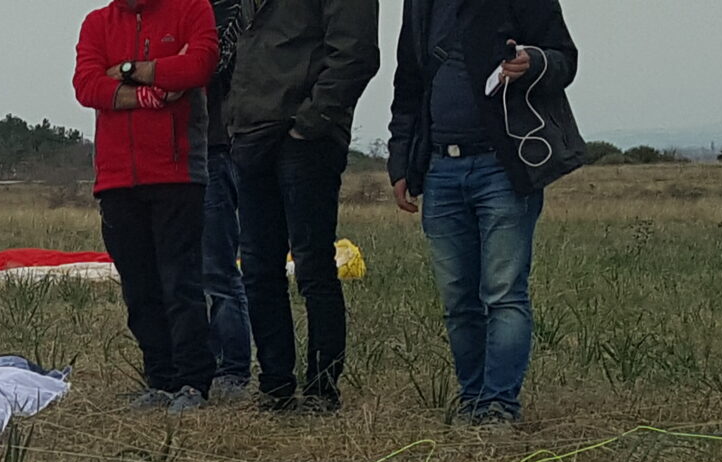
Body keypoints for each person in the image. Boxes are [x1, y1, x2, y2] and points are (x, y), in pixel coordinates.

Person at [386, 0, 585, 425]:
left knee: (503, 293)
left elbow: (564, 59)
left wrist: (534, 62)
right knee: (458, 301)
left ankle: (498, 406)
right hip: (440, 167)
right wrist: (400, 161)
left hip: (504, 165)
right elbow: (407, 82)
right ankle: (473, 400)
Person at [226, 0, 379, 413]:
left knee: (313, 267)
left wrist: (311, 122)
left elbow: (357, 53)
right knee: (257, 269)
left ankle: (321, 391)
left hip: (305, 139)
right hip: (251, 132)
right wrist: (233, 116)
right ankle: (274, 387)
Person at [74, 0, 221, 414]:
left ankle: (193, 382)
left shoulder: (192, 9)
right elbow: (86, 86)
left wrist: (124, 71)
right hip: (117, 180)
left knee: (181, 284)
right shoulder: (97, 23)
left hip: (178, 175)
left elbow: (197, 67)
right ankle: (160, 379)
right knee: (139, 289)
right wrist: (153, 86)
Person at [200, 0, 251, 401]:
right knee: (181, 272)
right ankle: (193, 367)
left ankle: (233, 367)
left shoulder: (233, 11)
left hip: (216, 148)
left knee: (218, 270)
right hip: (176, 152)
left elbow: (208, 69)